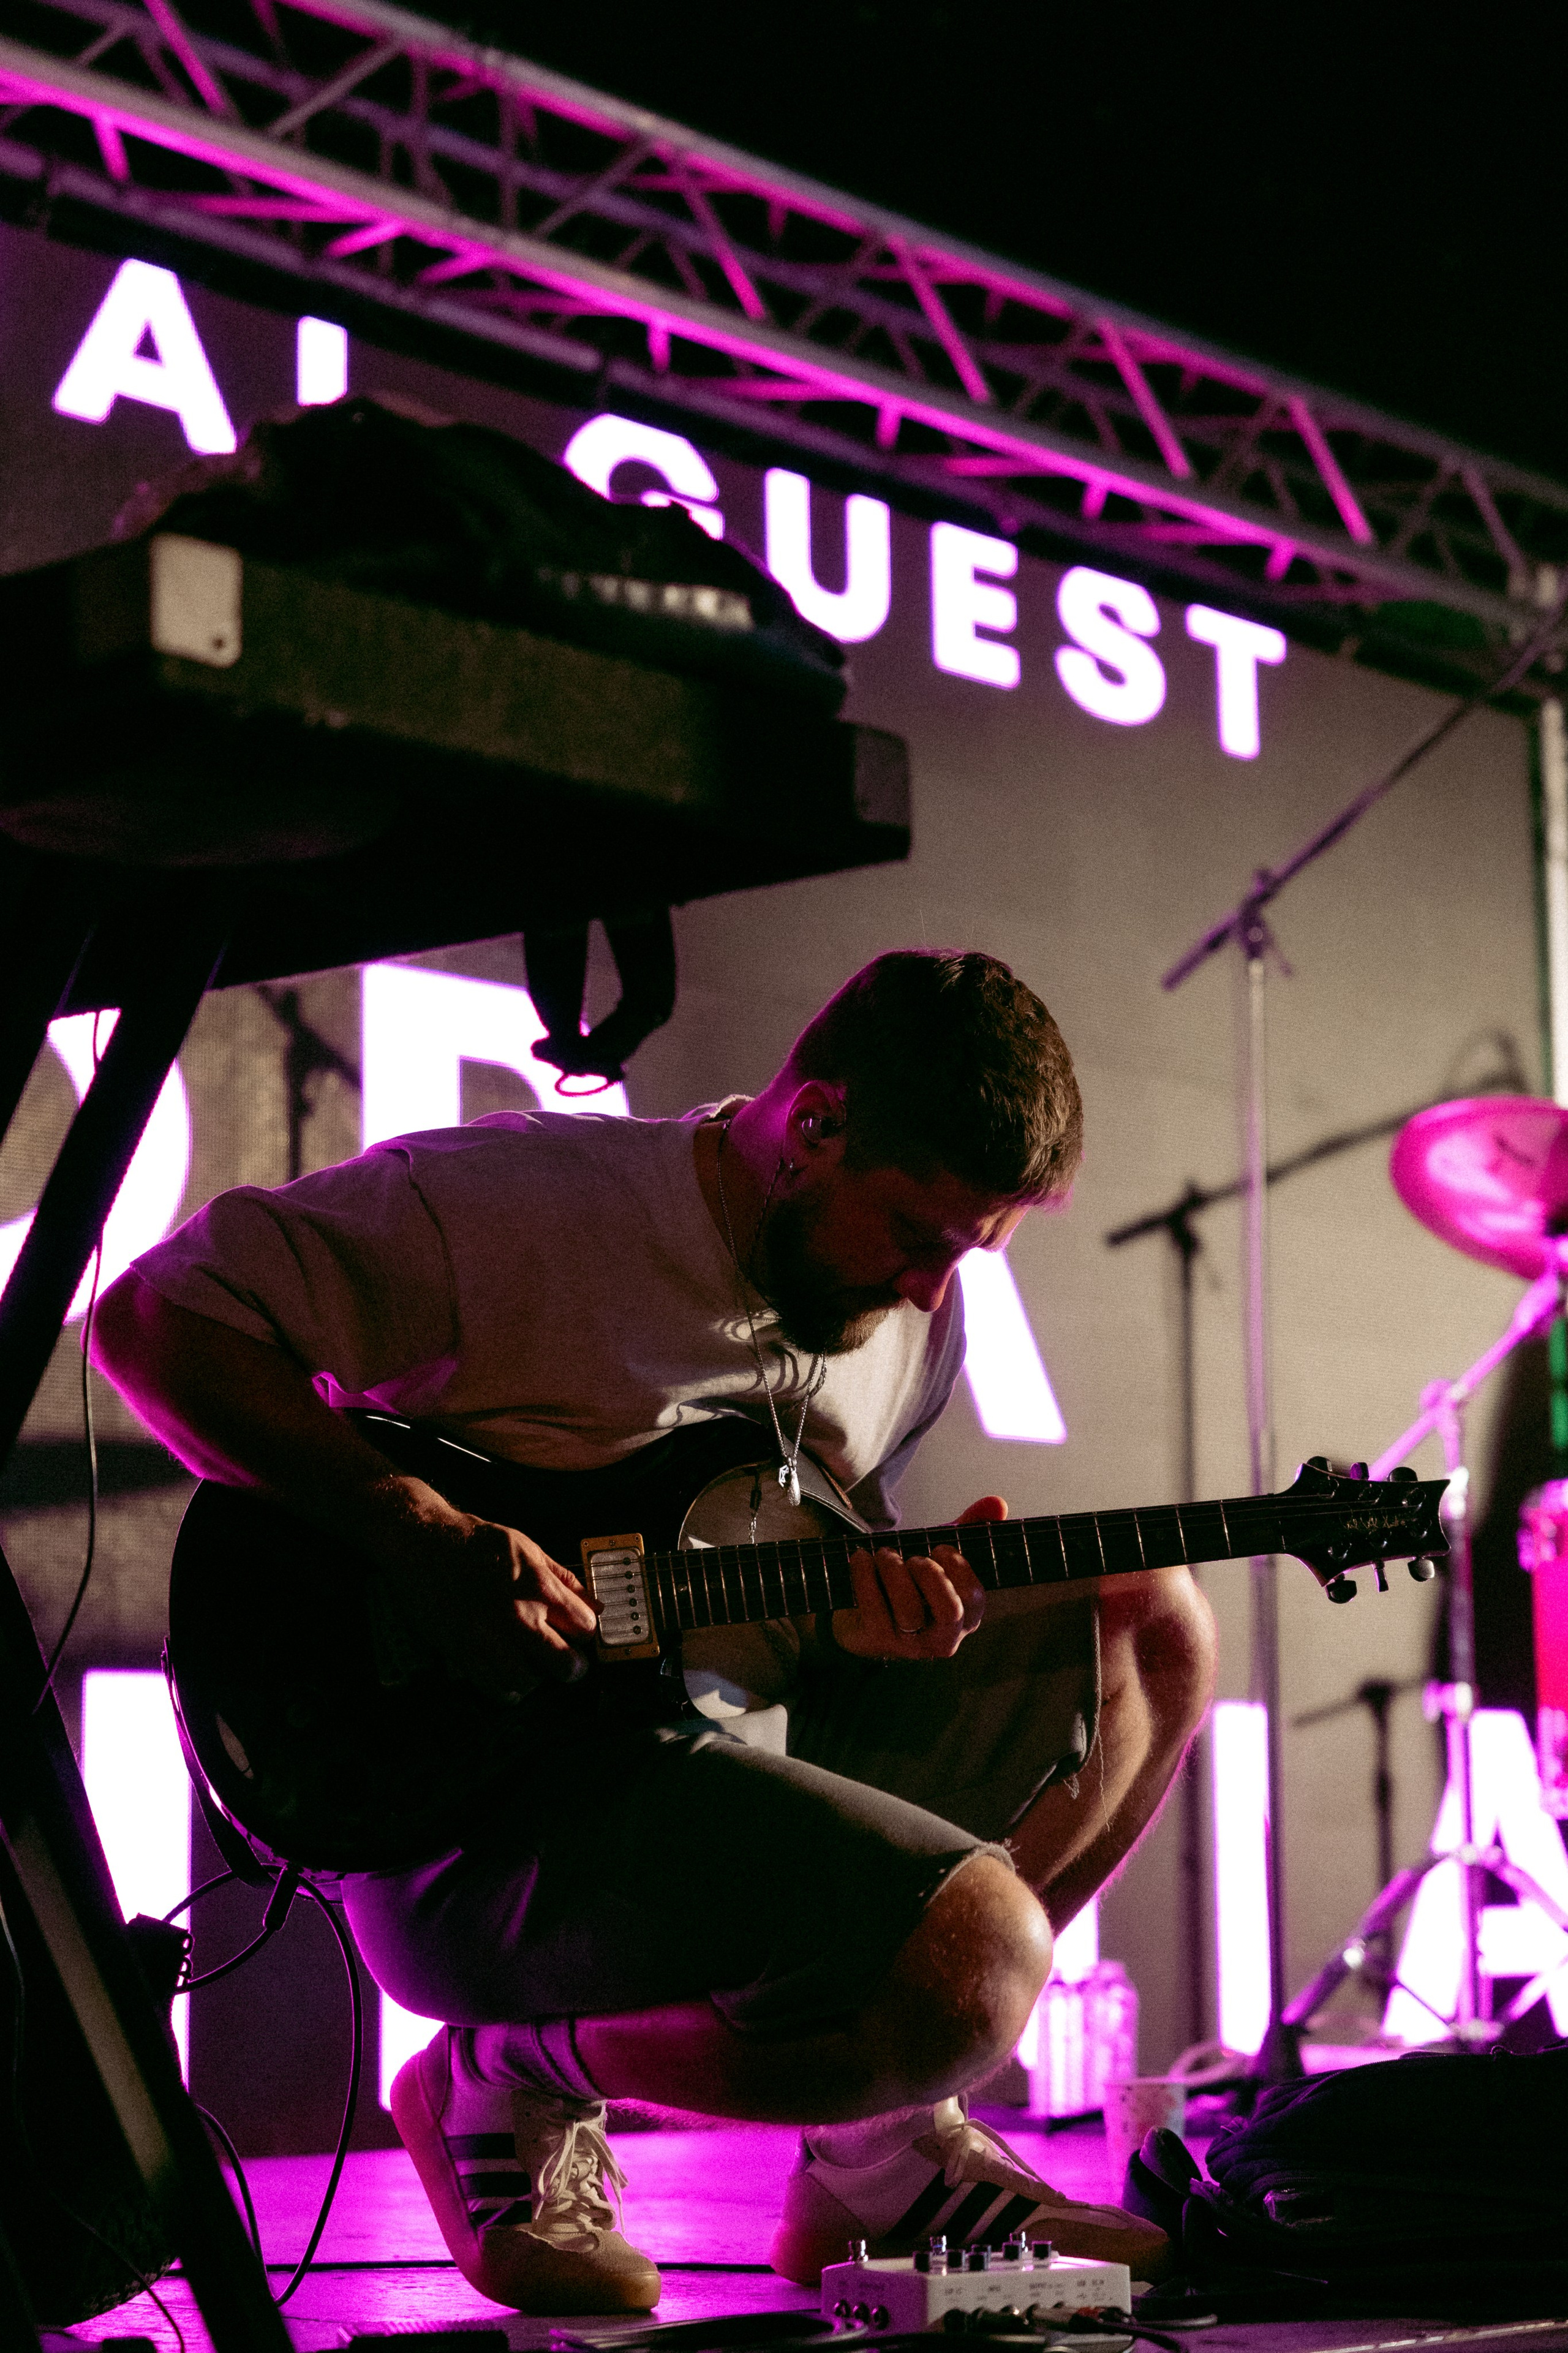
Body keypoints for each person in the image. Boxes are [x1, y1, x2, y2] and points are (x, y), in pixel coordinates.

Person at [92, 950, 1216, 2316]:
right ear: (813, 1124)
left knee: (1151, 1622)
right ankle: (503, 2070)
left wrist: (881, 1617)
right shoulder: (518, 1202)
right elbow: (152, 1323)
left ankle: (876, 2149)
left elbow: (793, 1571)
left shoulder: (914, 1318)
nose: (934, 1287)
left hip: (714, 1754)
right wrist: (421, 1531)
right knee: (978, 1961)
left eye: (968, 1251)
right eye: (918, 1233)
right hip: (480, 1810)